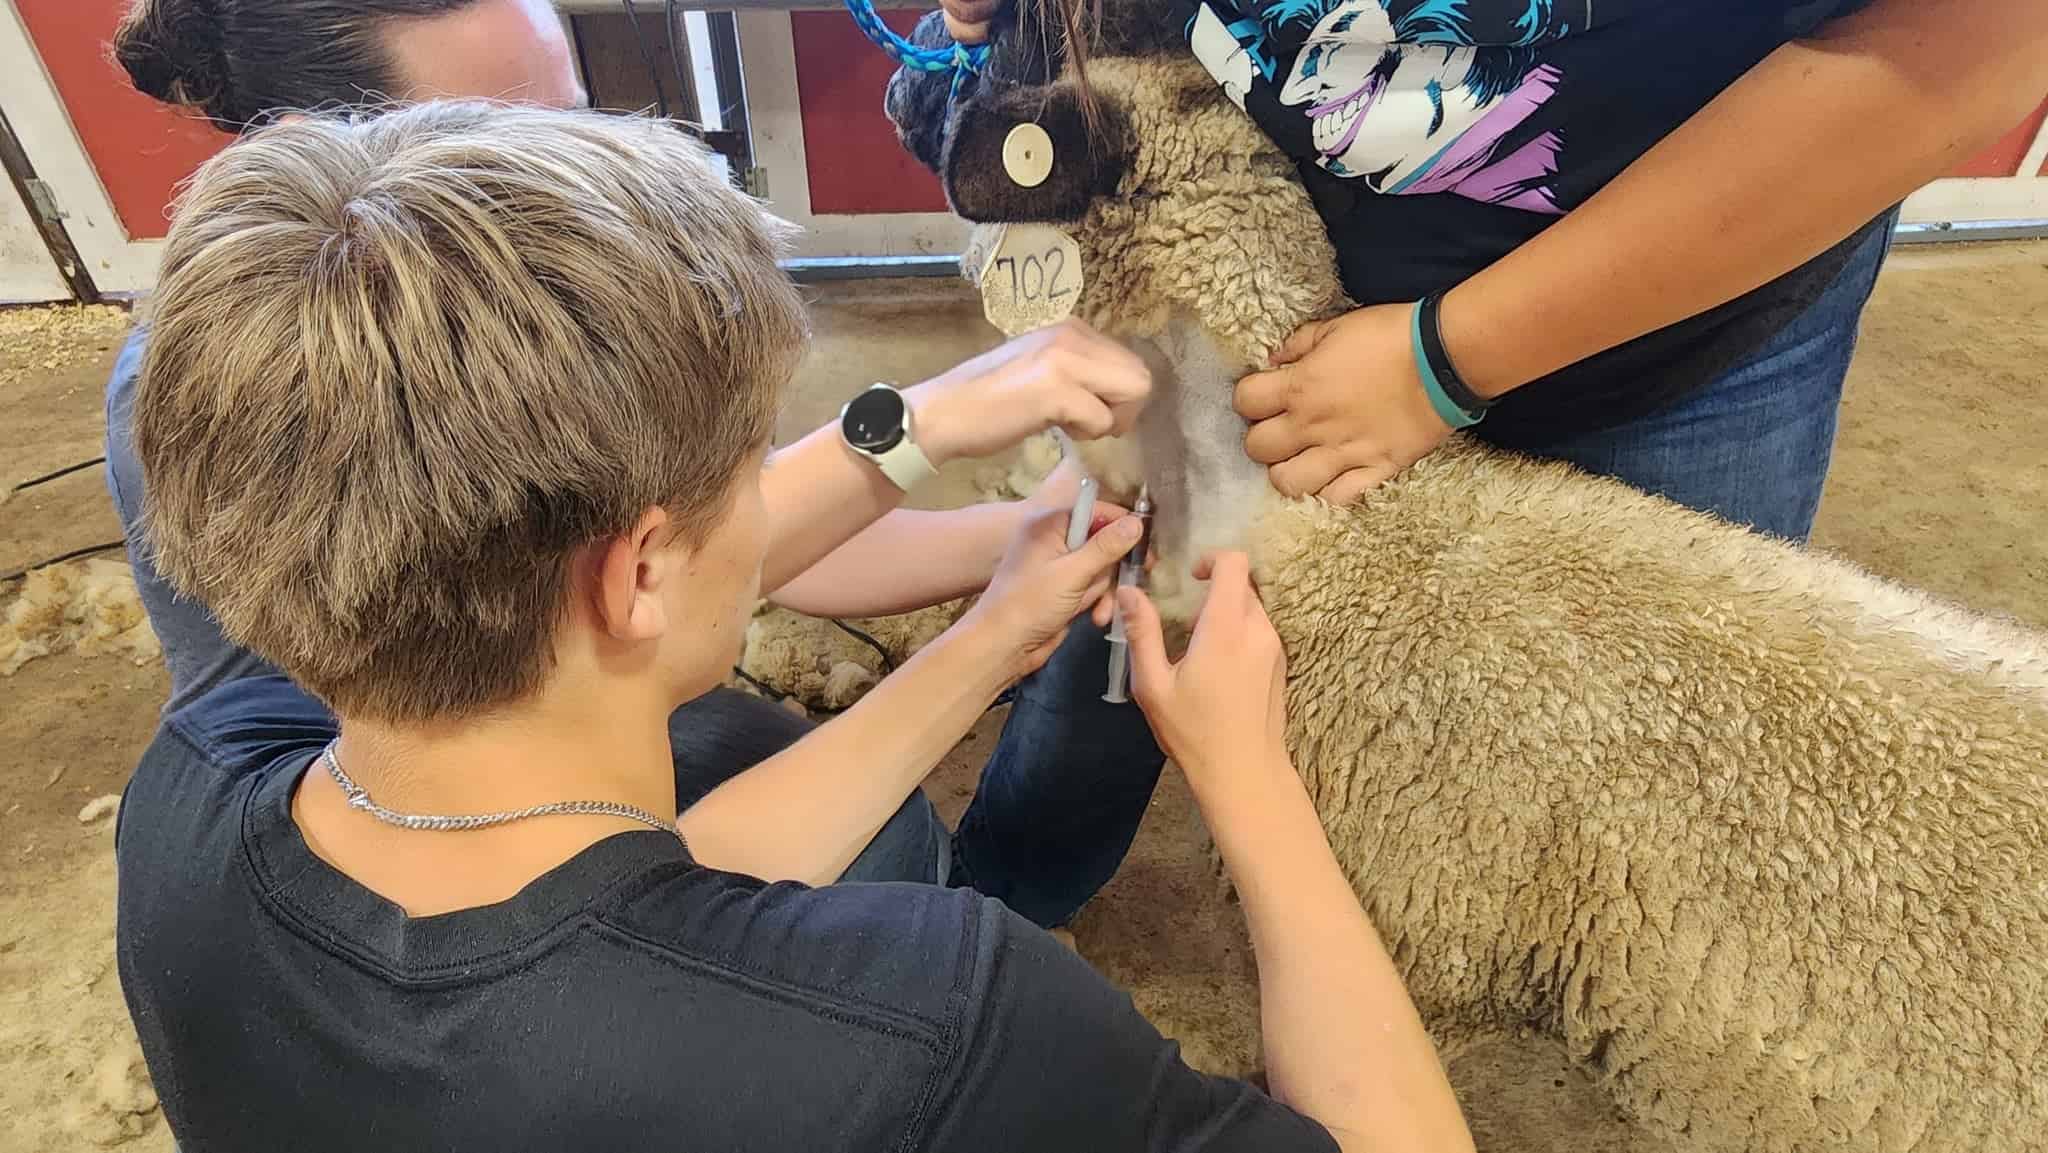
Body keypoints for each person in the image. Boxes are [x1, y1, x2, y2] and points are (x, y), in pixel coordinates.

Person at [117, 100, 1476, 1152]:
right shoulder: (929, 1022)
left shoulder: (194, 797)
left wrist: (988, 633)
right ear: (638, 569)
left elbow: (610, 924)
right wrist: (1251, 779)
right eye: (741, 466)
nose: (770, 490)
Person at [106, 0, 1166, 927]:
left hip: (547, 752)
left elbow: (739, 536)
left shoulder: (530, 315)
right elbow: (566, 908)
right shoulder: (298, 410)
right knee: (887, 865)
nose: (585, 177)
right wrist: (976, 627)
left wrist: (1063, 526)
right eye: (509, 149)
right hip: (485, 841)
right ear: (326, 156)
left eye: (581, 120)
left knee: (871, 827)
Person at [938, 0, 2048, 541]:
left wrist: (1445, 356)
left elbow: (1970, 46)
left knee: (1624, 759)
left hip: (1662, 336)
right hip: (1248, 227)